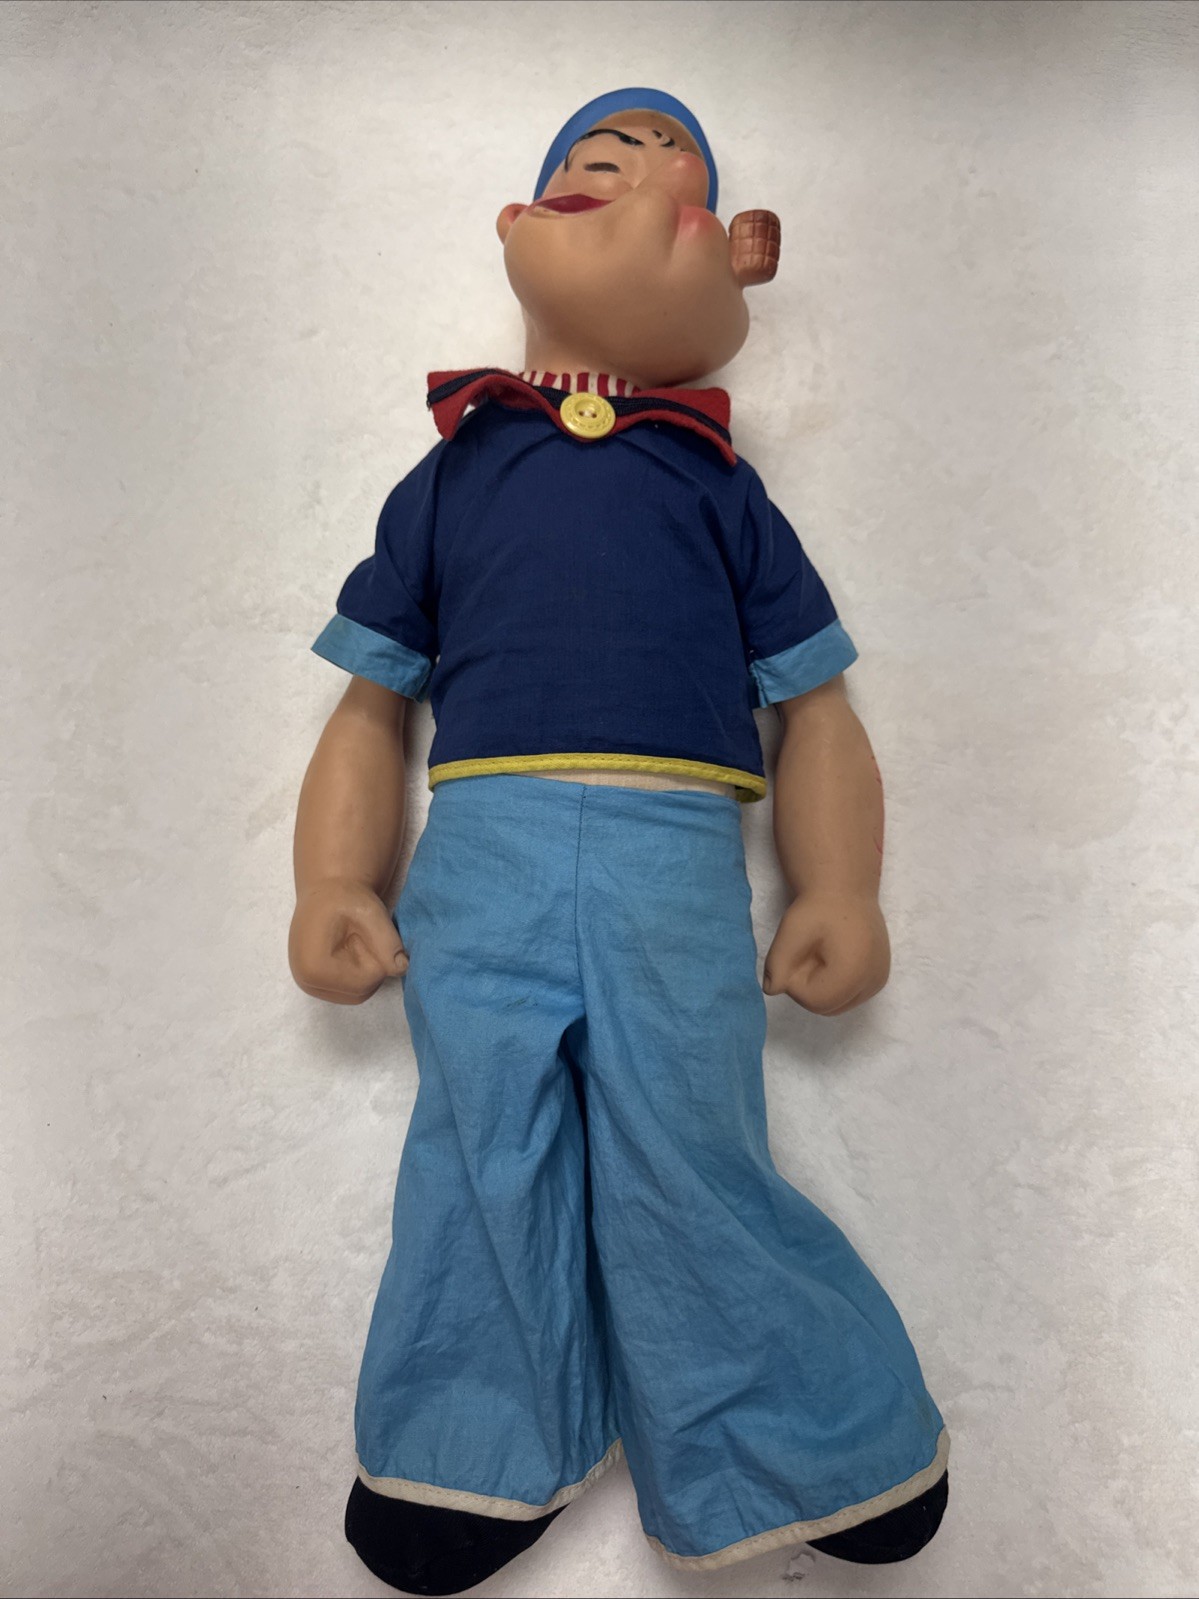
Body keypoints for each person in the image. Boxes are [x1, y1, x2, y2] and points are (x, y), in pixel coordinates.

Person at [290, 87, 949, 1597]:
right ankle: (463, 1449)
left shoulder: (720, 487)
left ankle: (809, 1444)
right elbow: (371, 704)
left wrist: (840, 886)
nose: (634, 177)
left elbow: (817, 709)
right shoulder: (451, 477)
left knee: (691, 1145)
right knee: (479, 1144)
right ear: (516, 232)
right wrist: (333, 875)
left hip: (676, 863)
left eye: (673, 178)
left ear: (735, 270)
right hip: (483, 857)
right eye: (595, 165)